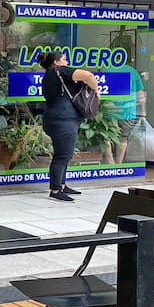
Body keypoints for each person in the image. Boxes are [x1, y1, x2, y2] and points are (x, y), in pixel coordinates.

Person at [38, 50, 100, 202]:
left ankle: (62, 185)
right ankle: (55, 190)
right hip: (63, 121)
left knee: (65, 154)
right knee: (62, 155)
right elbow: (88, 76)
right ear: (56, 62)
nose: (67, 62)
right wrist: (96, 90)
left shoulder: (49, 76)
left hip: (58, 119)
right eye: (64, 59)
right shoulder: (58, 71)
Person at [103, 62, 145, 163]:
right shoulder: (133, 72)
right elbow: (140, 95)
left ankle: (110, 161)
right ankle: (119, 163)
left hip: (110, 110)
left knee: (105, 136)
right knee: (123, 138)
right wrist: (143, 111)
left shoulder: (107, 70)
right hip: (128, 111)